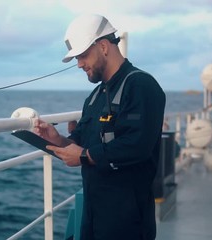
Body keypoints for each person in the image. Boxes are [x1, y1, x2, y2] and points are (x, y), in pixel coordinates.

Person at [34, 14, 165, 240]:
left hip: (128, 220)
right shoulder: (95, 97)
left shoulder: (141, 86)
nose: (79, 64)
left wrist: (84, 155)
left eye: (82, 56)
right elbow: (80, 143)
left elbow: (138, 146)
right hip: (94, 214)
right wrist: (58, 140)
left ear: (103, 46)